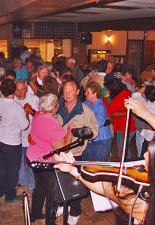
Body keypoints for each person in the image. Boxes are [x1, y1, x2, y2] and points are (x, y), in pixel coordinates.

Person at [54, 98, 155, 225]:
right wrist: (144, 113)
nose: (144, 156)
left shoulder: (146, 207)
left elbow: (105, 186)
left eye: (151, 156)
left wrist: (75, 171)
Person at [55, 79, 98, 225]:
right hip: (57, 151)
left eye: (70, 91)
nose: (67, 94)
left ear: (77, 91)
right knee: (59, 183)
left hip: (75, 153)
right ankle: (61, 205)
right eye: (65, 91)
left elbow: (95, 132)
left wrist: (83, 133)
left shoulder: (85, 111)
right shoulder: (58, 106)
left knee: (74, 185)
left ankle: (75, 212)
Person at [26, 93, 73, 224]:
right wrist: (69, 133)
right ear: (55, 108)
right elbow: (63, 150)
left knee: (39, 187)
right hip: (45, 163)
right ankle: (50, 222)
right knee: (52, 194)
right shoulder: (53, 125)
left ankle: (34, 214)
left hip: (32, 158)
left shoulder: (38, 115)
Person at [0, 79, 29, 203]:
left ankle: (0, 191)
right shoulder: (16, 107)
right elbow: (25, 126)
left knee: (1, 168)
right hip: (11, 143)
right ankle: (10, 195)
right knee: (12, 170)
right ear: (14, 90)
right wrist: (27, 113)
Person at [102, 78, 136, 160]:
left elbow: (109, 111)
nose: (107, 91)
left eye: (108, 89)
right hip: (132, 126)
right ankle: (127, 163)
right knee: (125, 147)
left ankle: (125, 166)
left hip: (124, 127)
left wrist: (105, 98)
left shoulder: (118, 98)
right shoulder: (127, 92)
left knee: (122, 149)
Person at [14, 80, 39, 190]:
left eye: (22, 89)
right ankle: (21, 180)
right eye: (17, 90)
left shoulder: (34, 99)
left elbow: (39, 117)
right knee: (18, 160)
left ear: (27, 89)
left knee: (30, 160)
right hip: (17, 136)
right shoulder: (12, 101)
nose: (19, 92)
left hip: (31, 135)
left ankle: (31, 183)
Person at [82, 82, 112, 161]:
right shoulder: (86, 103)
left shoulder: (100, 106)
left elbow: (98, 123)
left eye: (88, 92)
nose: (85, 94)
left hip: (101, 141)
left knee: (98, 166)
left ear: (95, 93)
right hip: (89, 140)